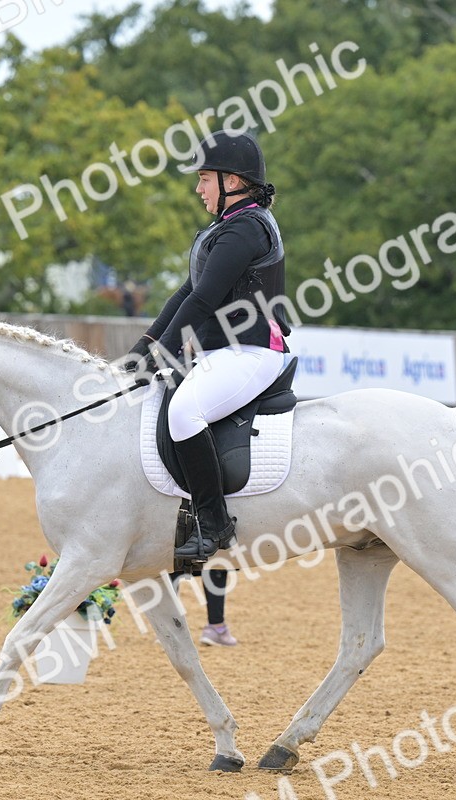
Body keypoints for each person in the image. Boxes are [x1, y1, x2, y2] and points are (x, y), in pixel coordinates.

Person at [124, 129, 289, 561]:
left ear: (231, 182)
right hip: (220, 352)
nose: (198, 189)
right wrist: (143, 349)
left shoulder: (247, 229)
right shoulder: (223, 229)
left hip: (251, 351)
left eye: (204, 179)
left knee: (184, 412)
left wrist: (162, 352)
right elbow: (184, 293)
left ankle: (214, 525)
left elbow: (203, 300)